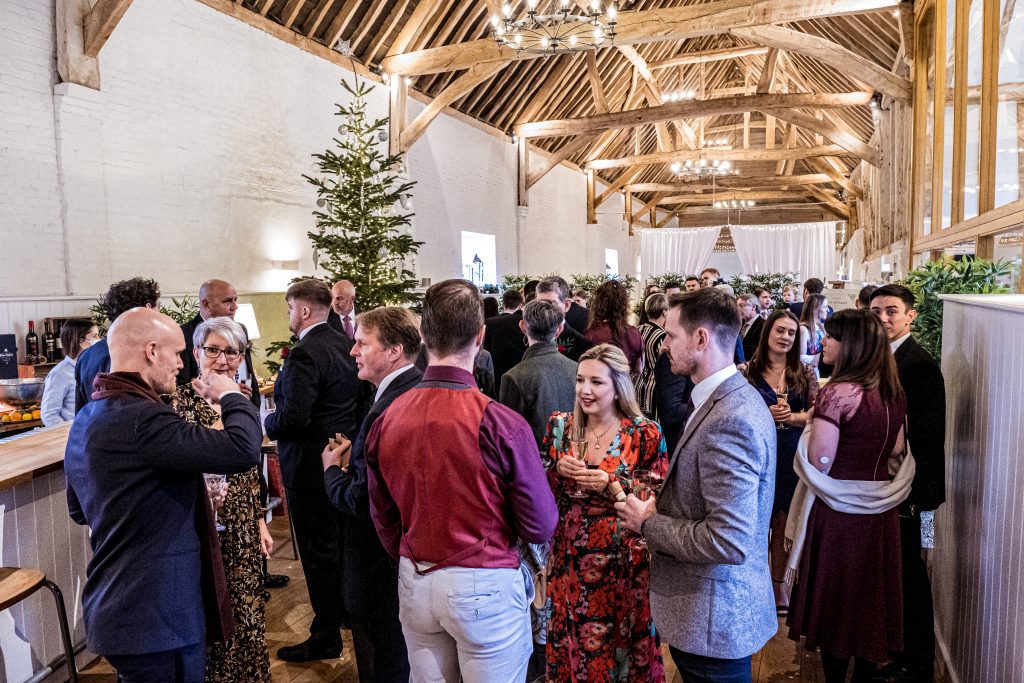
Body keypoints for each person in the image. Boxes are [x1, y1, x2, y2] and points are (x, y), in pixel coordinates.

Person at [365, 279, 558, 682]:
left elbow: (382, 515)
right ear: (480, 336)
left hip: (416, 575)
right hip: (483, 578)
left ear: (422, 335)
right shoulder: (500, 421)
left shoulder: (388, 416)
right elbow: (540, 522)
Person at [64, 307, 262, 681]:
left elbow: (81, 509)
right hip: (155, 614)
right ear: (152, 351)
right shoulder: (143, 417)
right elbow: (242, 449)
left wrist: (189, 493)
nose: (180, 364)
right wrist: (233, 396)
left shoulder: (91, 414)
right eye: (177, 353)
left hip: (123, 605)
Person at [615, 288, 777, 683]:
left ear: (701, 339)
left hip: (713, 619)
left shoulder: (730, 418)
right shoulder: (722, 399)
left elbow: (728, 540)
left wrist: (647, 522)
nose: (664, 345)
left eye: (670, 335)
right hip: (708, 615)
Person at [786, 309, 909, 682]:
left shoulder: (836, 394)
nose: (823, 341)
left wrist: (808, 426)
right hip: (880, 509)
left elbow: (819, 461)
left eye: (831, 337)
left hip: (840, 513)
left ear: (851, 345)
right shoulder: (892, 393)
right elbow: (896, 449)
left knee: (837, 605)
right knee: (870, 602)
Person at [544, 343, 667, 682]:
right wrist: (557, 469)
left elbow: (655, 500)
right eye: (580, 380)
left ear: (618, 387)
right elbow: (538, 490)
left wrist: (610, 483)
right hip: (568, 561)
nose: (585, 390)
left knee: (623, 650)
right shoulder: (560, 427)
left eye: (597, 382)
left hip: (624, 562)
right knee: (573, 644)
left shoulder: (644, 433)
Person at [169, 317, 272, 682]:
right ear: (197, 353)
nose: (223, 360)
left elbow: (249, 466)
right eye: (213, 350)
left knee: (248, 614)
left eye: (232, 352)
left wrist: (259, 519)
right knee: (215, 614)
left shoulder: (239, 400)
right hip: (203, 528)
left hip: (242, 523)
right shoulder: (178, 405)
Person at [265, 279, 362, 662]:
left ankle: (325, 635)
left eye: (290, 308)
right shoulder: (345, 343)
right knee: (337, 543)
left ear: (304, 310)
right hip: (340, 457)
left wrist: (266, 422)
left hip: (308, 466)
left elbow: (294, 416)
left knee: (317, 552)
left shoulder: (305, 354)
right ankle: (344, 614)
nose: (289, 316)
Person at [323, 306, 422, 683]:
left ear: (394, 350)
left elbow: (361, 501)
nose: (352, 351)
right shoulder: (414, 387)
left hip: (379, 560)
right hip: (404, 556)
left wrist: (332, 470)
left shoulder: (387, 406)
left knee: (385, 657)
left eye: (363, 343)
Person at [870, 284, 946, 683]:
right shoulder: (884, 360)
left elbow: (930, 435)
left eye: (892, 311)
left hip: (914, 493)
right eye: (877, 310)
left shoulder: (918, 364)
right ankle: (898, 652)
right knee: (898, 574)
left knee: (912, 576)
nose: (883, 318)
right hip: (895, 487)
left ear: (910, 316)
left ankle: (917, 665)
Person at [742, 310, 818, 616]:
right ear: (768, 333)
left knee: (784, 520)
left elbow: (818, 411)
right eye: (780, 331)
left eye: (790, 333)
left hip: (791, 452)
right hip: (758, 453)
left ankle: (779, 588)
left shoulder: (804, 373)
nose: (785, 337)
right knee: (757, 519)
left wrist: (794, 417)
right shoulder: (749, 371)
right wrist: (765, 415)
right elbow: (739, 411)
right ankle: (753, 584)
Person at [498, 299, 578, 450]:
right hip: (575, 461)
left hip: (534, 465)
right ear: (560, 329)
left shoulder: (514, 377)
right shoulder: (577, 369)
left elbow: (508, 437)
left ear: (523, 327)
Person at [75, 277, 161, 411]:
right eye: (159, 307)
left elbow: (80, 410)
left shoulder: (85, 356)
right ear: (148, 308)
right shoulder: (142, 354)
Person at [178, 279, 260, 408]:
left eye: (231, 352)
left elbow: (246, 370)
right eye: (228, 301)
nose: (235, 307)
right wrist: (228, 392)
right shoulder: (183, 334)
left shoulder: (241, 329)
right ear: (206, 304)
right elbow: (178, 385)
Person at [41, 320, 99, 426]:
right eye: (94, 336)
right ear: (80, 340)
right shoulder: (59, 374)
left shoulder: (93, 367)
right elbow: (49, 415)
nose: (99, 340)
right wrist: (71, 434)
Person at [586, 279, 643, 375]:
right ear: (624, 305)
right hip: (625, 386)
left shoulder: (592, 333)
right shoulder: (634, 332)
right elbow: (639, 369)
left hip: (601, 386)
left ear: (598, 304)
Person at [635, 293, 667, 419]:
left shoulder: (637, 330)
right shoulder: (662, 336)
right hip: (655, 388)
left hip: (637, 384)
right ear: (664, 311)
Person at [798, 293, 828, 372]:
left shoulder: (822, 327)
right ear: (815, 309)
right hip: (808, 374)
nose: (828, 310)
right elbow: (801, 358)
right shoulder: (803, 330)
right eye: (825, 307)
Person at [738, 294, 765, 361]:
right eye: (737, 306)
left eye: (741, 305)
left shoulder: (764, 325)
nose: (738, 309)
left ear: (753, 307)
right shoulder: (739, 324)